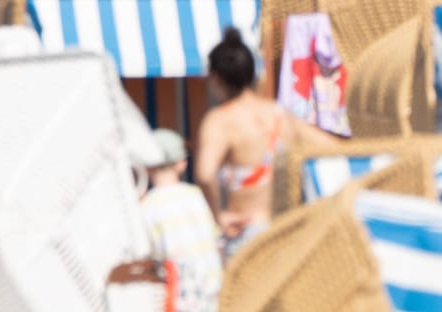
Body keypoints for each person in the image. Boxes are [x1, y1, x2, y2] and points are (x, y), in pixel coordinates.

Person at [195, 27, 338, 257]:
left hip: (247, 234)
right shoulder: (281, 115)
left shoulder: (220, 120)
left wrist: (219, 214)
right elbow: (334, 149)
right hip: (287, 231)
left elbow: (204, 174)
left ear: (216, 77)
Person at [139, 129, 223, 312]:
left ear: (147, 166)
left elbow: (147, 254)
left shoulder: (146, 207)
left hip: (177, 294)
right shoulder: (196, 196)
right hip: (211, 286)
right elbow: (215, 238)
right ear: (181, 164)